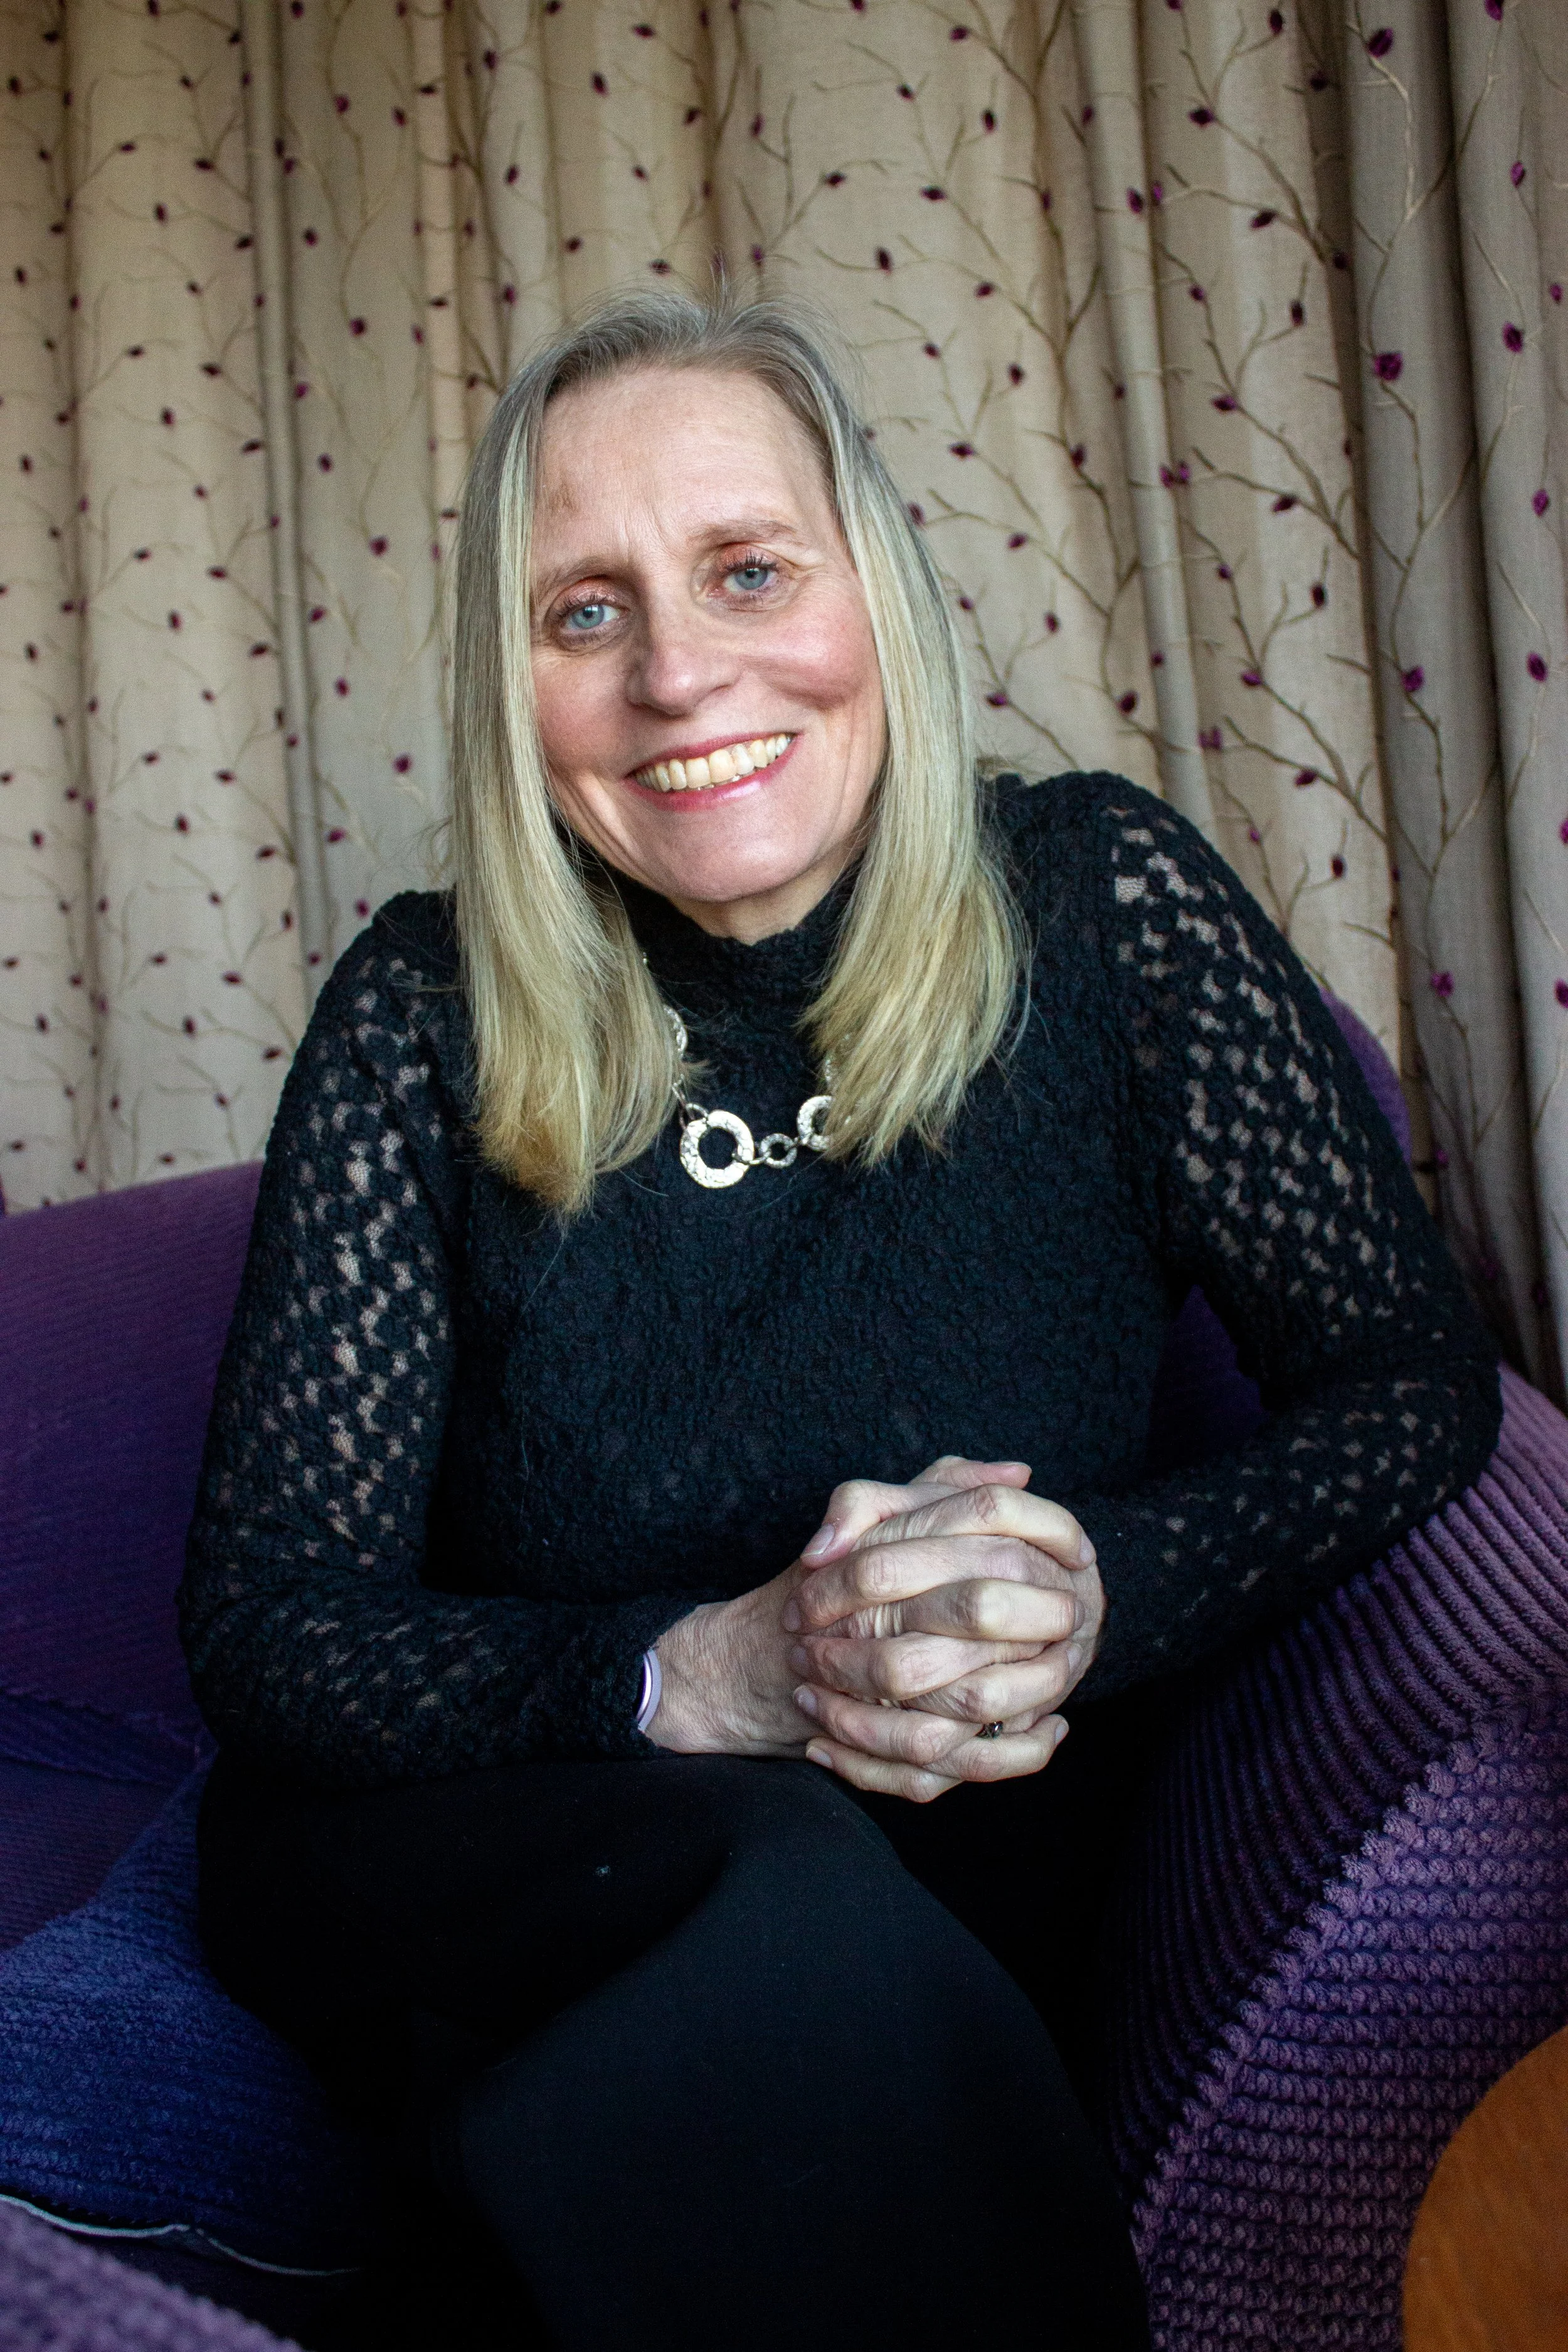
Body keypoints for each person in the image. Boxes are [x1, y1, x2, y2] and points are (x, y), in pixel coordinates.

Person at [181, 290, 1500, 2351]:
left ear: (869, 587)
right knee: (769, 1897)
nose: (680, 671)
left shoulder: (1103, 911)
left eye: (745, 570)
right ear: (509, 686)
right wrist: (699, 1674)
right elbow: (274, 1619)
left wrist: (1099, 1590)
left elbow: (1412, 1386)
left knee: (815, 1946)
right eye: (582, 612)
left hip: (940, 1896)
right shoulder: (420, 1011)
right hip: (502, 1842)